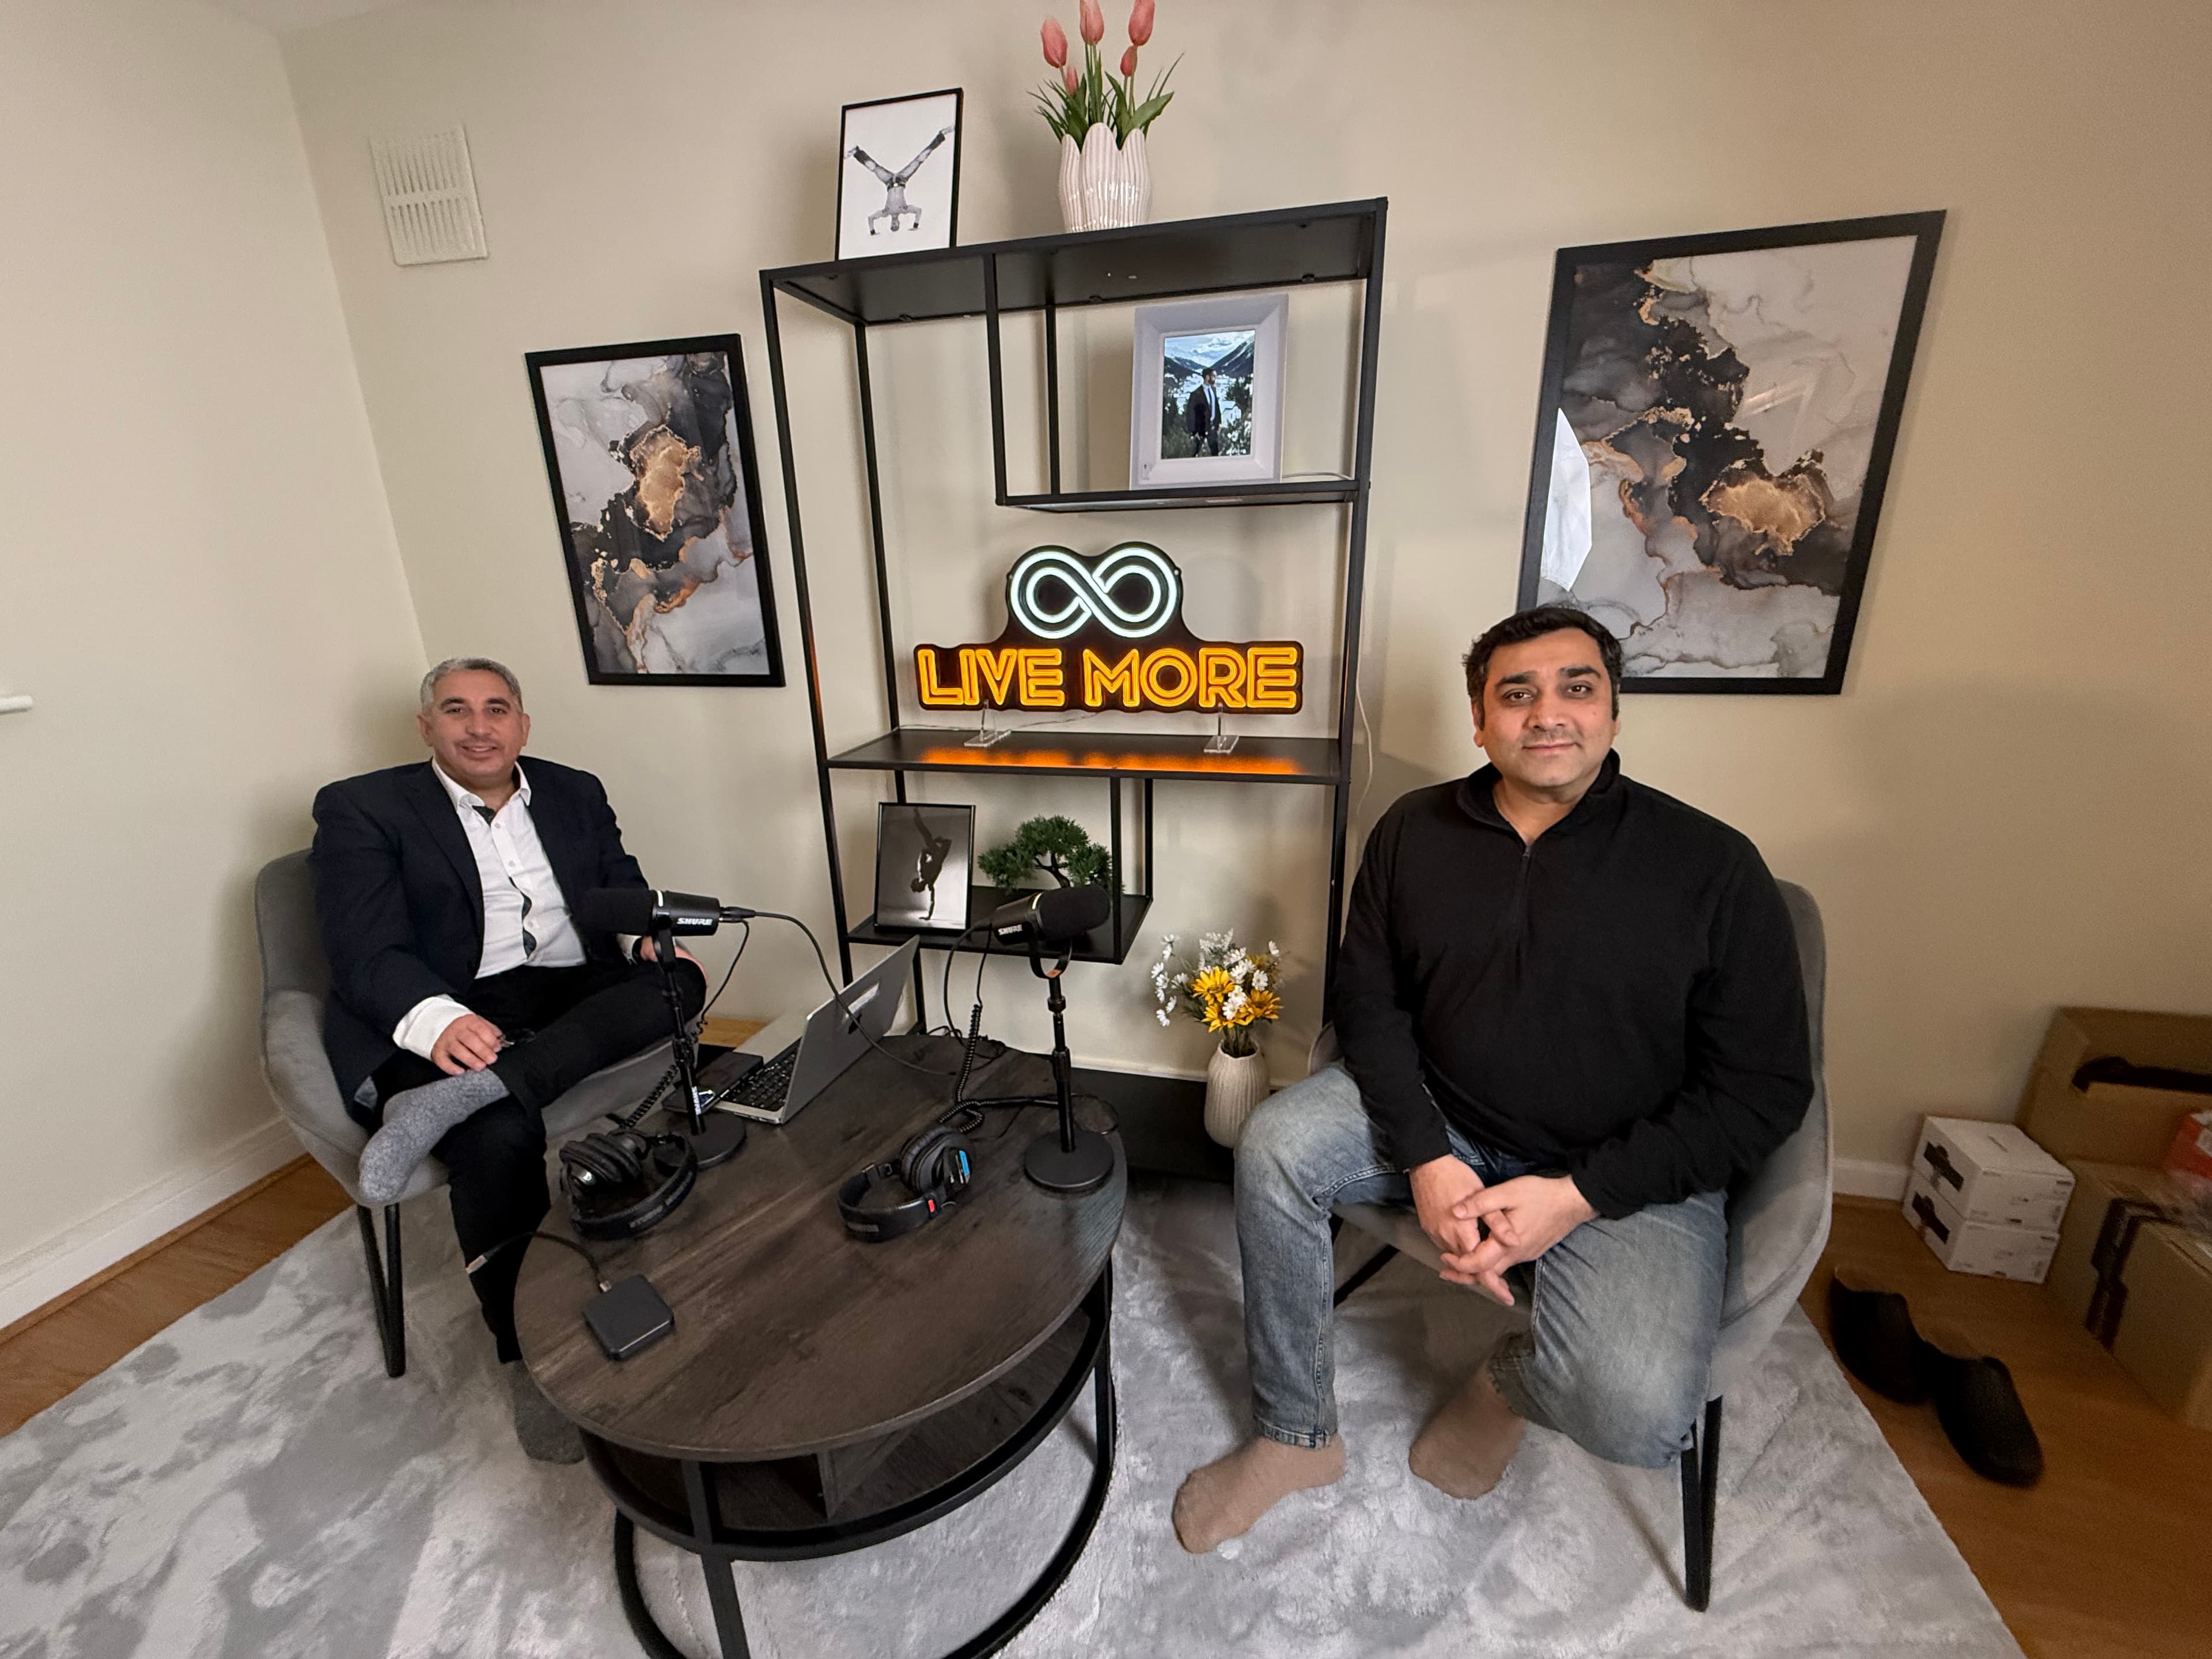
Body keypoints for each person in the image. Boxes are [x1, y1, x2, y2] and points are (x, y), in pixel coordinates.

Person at [1172, 605, 1813, 1552]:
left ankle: (1509, 1381)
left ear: (1614, 712)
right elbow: (1372, 1007)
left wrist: (1578, 1196)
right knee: (1273, 1145)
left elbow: (1761, 1091)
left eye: (1577, 688)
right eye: (1517, 694)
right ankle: (1295, 1432)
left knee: (1637, 1419)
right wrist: (1428, 1159)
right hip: (1446, 1115)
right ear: (1480, 722)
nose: (1547, 713)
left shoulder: (1714, 867)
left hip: (1626, 1165)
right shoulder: (1413, 832)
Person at [309, 657, 703, 1460]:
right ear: (428, 727)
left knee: (683, 980)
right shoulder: (363, 809)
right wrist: (438, 1021)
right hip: (448, 999)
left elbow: (616, 890)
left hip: (559, 995)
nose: (479, 726)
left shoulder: (573, 790)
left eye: (497, 709)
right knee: (495, 1141)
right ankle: (525, 1356)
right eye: (457, 711)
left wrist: (641, 938)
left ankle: (482, 1089)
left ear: (524, 724)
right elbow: (363, 953)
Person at [1184, 366, 1225, 456]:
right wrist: (1194, 431)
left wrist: (1219, 423)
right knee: (1196, 453)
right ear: (1207, 377)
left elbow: (1216, 408)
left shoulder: (1213, 390)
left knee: (1215, 453)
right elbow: (1190, 414)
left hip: (1213, 429)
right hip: (1201, 430)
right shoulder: (1196, 394)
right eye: (1214, 376)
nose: (1215, 378)